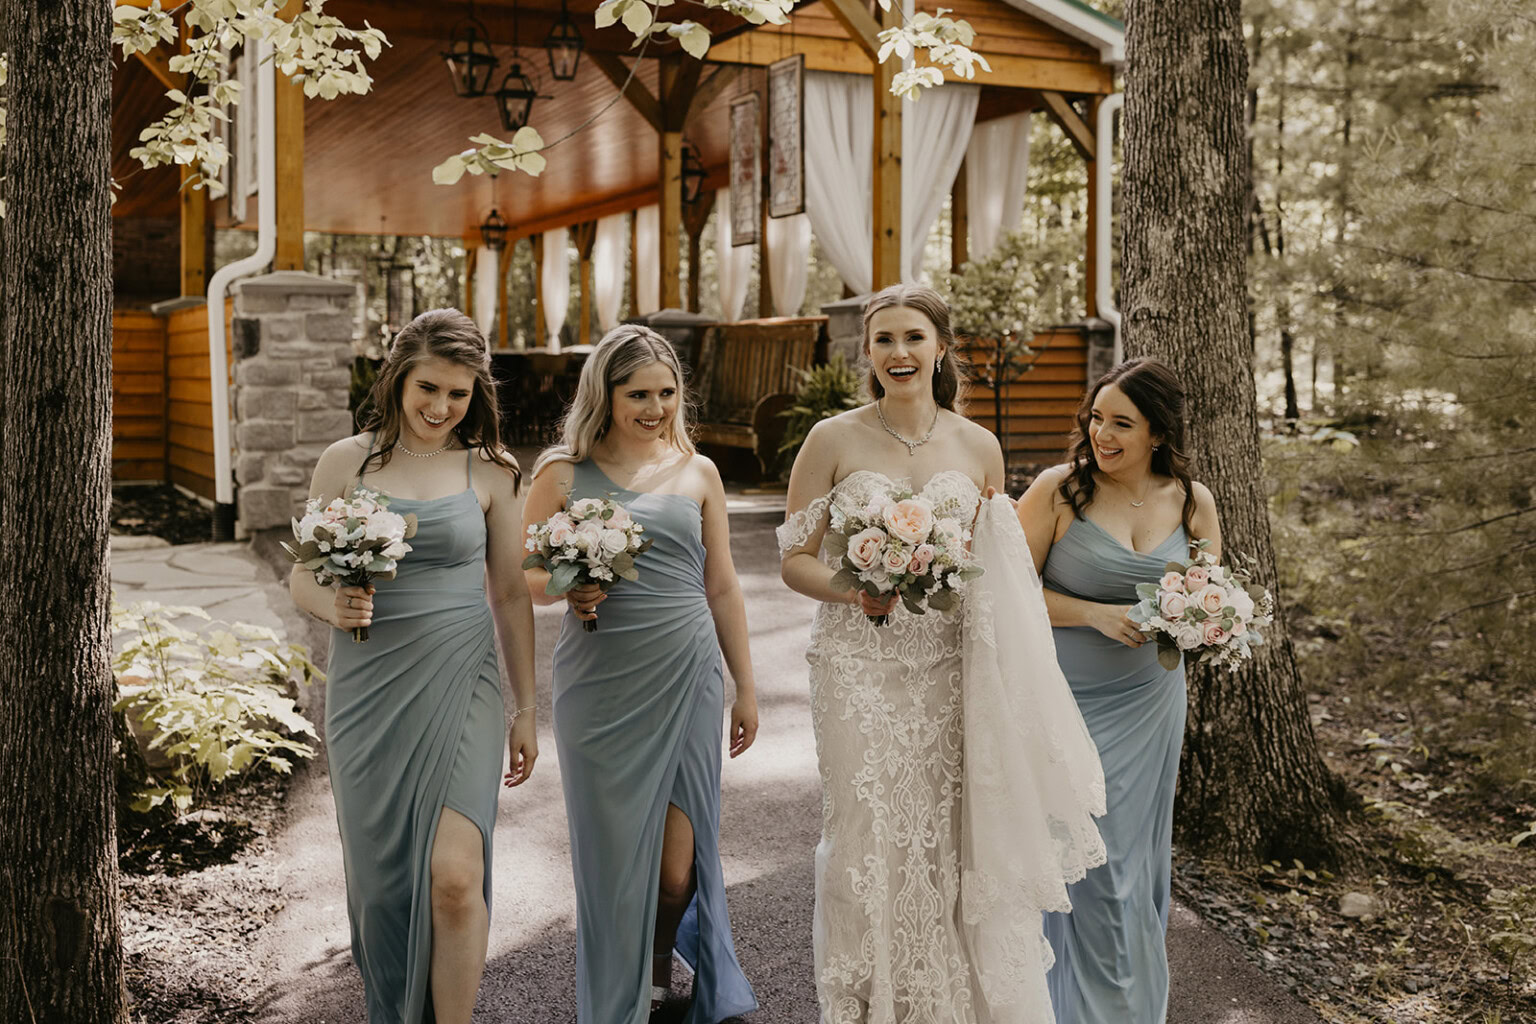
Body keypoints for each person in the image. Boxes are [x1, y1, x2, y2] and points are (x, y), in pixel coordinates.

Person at [778, 284, 1106, 1023]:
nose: (899, 353)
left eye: (913, 338)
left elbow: (997, 566)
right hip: (857, 665)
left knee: (953, 836)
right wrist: (855, 590)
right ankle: (870, 1004)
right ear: (867, 351)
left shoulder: (978, 443)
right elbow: (794, 560)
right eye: (885, 339)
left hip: (951, 668)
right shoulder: (830, 438)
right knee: (866, 834)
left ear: (940, 347)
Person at [289, 308, 538, 1024]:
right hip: (370, 691)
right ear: (398, 377)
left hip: (464, 682)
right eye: (427, 388)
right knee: (384, 890)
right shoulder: (348, 462)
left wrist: (526, 709)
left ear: (476, 394)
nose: (440, 408)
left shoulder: (492, 469)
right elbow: (303, 577)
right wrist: (332, 606)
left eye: (458, 395)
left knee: (457, 879)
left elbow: (513, 593)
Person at [521, 324, 759, 1024]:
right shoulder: (561, 473)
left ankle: (658, 958)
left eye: (665, 392)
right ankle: (622, 991)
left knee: (676, 866)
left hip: (687, 673)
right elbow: (526, 575)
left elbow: (723, 585)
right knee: (613, 857)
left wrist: (746, 684)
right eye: (637, 394)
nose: (654, 407)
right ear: (606, 393)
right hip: (600, 680)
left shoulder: (698, 471)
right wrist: (568, 587)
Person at [1015, 357, 1221, 1024]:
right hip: (1064, 701)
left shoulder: (1191, 501)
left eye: (1122, 423)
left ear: (1158, 433)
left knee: (1134, 867)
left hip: (1150, 705)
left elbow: (1210, 597)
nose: (1102, 434)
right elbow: (1002, 593)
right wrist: (1093, 613)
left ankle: (1133, 1010)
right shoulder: (1058, 491)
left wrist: (1207, 623)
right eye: (1096, 418)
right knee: (1085, 864)